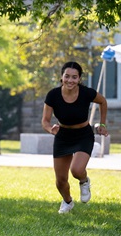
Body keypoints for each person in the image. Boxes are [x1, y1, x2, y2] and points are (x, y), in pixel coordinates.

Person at [43, 61, 108, 214]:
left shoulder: (86, 93)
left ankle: (84, 181)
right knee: (60, 181)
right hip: (63, 136)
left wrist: (103, 124)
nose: (70, 80)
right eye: (67, 76)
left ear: (79, 79)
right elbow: (45, 121)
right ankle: (67, 201)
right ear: (61, 77)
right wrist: (50, 129)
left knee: (77, 170)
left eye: (74, 77)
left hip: (83, 135)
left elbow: (103, 101)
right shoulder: (53, 95)